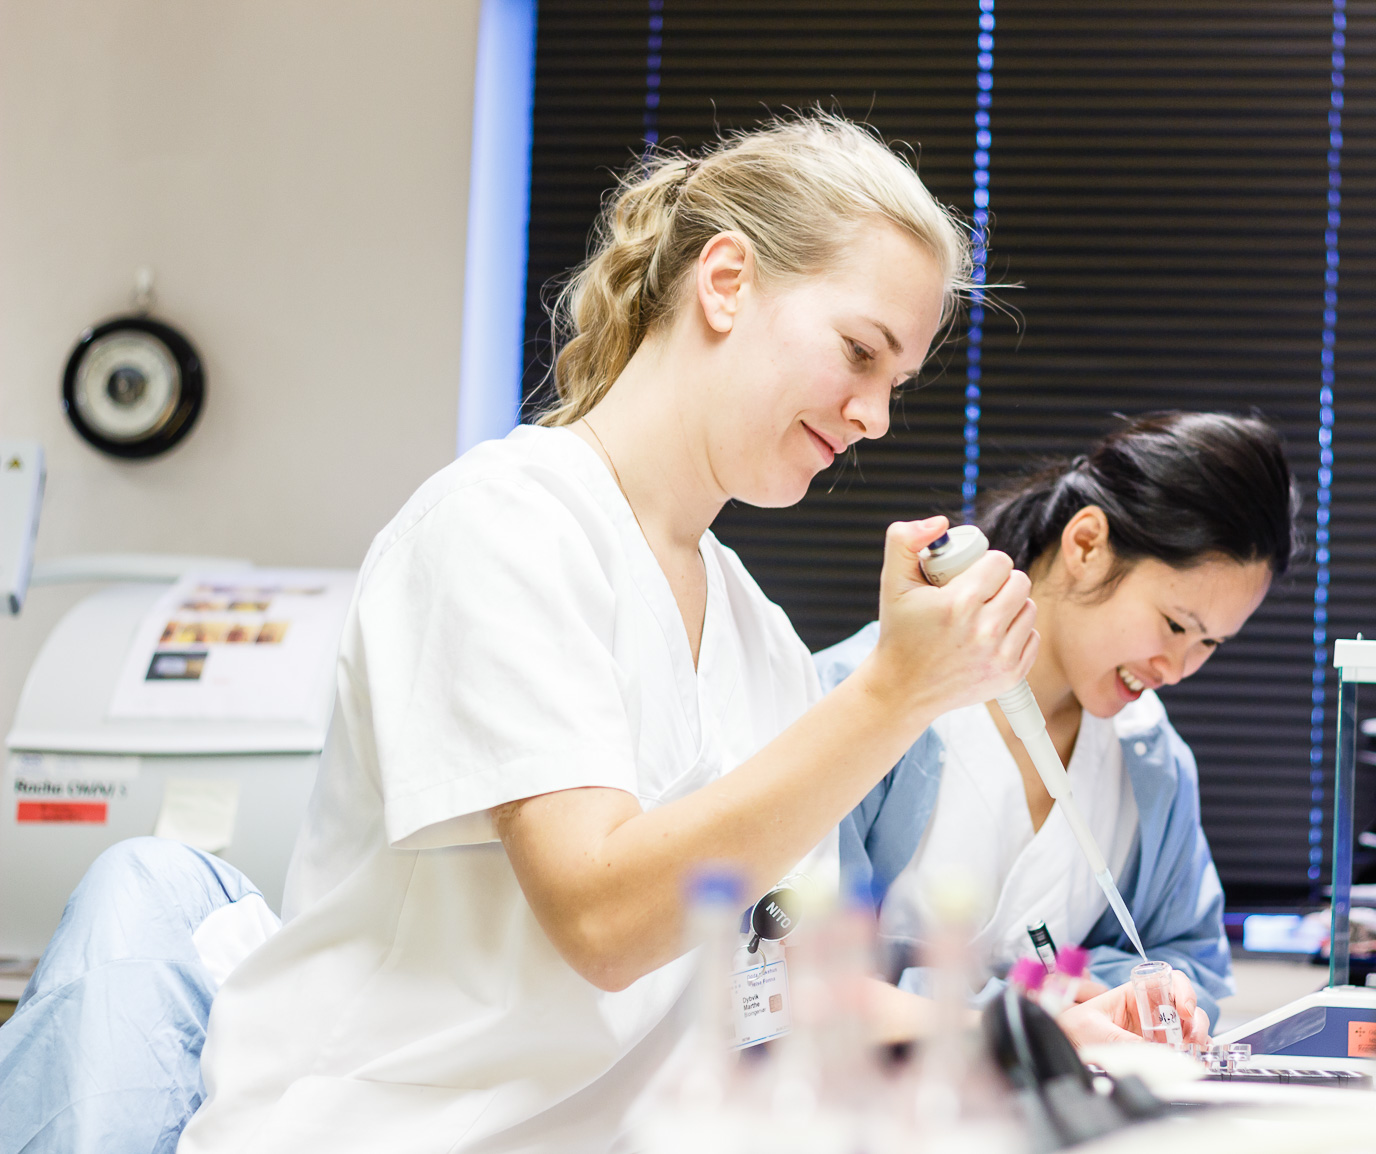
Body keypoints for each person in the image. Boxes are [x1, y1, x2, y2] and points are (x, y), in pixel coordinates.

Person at [0, 113, 1147, 1154]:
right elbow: (602, 915)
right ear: (729, 280)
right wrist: (893, 697)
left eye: (899, 379)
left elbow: (783, 977)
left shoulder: (757, 633)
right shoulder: (504, 525)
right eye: (859, 352)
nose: (876, 415)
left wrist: (1016, 1022)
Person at [815, 412, 1302, 1038]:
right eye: (1176, 625)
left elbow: (1190, 958)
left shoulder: (1150, 761)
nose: (1179, 669)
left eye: (1210, 643)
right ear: (1086, 545)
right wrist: (1026, 1011)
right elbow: (790, 976)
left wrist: (1131, 991)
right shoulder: (864, 699)